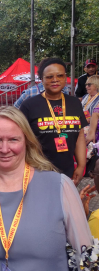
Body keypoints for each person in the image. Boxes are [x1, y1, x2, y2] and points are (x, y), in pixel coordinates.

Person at [0, 106, 94, 271]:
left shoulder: (60, 186)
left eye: (13, 139)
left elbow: (87, 260)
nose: (4, 148)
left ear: (26, 140)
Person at [20, 57, 88, 185]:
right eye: (49, 77)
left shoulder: (74, 103)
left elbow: (79, 135)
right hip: (37, 171)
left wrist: (80, 165)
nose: (55, 80)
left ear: (65, 77)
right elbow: (20, 139)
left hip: (67, 171)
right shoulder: (29, 105)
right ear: (42, 79)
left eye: (60, 76)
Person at [82, 76, 99, 144]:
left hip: (93, 129)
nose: (86, 87)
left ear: (96, 85)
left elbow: (96, 114)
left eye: (89, 85)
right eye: (86, 85)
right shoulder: (85, 97)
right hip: (83, 124)